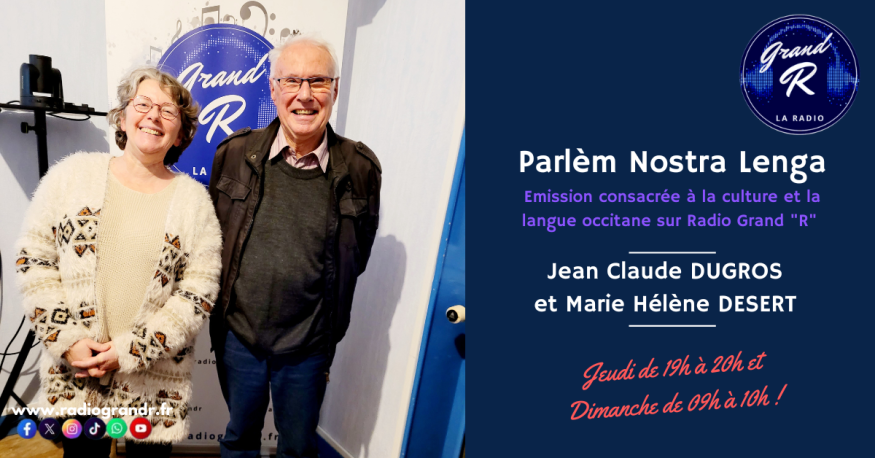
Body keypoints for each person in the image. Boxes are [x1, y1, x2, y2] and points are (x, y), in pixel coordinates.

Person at [14, 67, 222, 458]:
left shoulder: (194, 202)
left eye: (168, 111)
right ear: (122, 117)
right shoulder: (71, 176)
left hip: (154, 382)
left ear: (181, 133)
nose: (153, 115)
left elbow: (199, 291)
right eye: (142, 104)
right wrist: (68, 341)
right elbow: (33, 259)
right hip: (79, 374)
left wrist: (133, 350)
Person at [208, 34, 381, 458]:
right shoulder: (234, 154)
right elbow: (214, 242)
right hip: (240, 337)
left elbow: (356, 256)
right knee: (238, 439)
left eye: (318, 81)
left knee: (299, 449)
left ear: (334, 89)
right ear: (273, 89)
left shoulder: (361, 168)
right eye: (292, 81)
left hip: (309, 345)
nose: (305, 95)